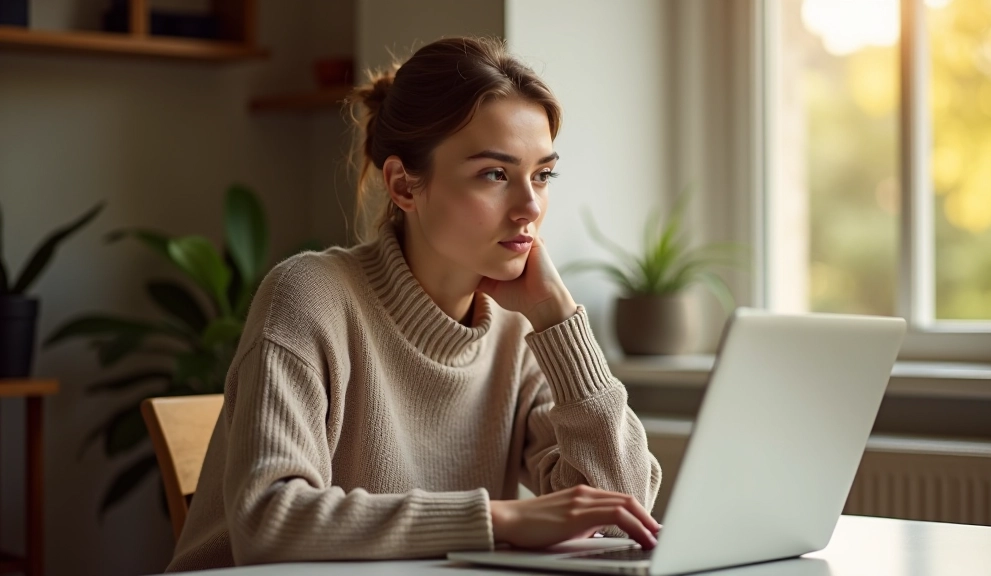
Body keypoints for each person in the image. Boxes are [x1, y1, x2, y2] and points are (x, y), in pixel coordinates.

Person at [165, 36, 662, 572]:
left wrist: (558, 319)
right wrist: (499, 520)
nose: (530, 207)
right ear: (403, 185)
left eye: (542, 175)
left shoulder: (518, 331)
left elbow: (620, 516)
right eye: (495, 174)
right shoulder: (309, 297)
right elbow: (269, 523)